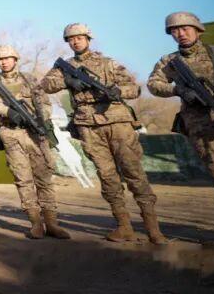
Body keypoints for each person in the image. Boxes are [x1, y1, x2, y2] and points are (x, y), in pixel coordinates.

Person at [40, 23, 166, 244]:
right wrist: (68, 80)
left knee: (134, 172)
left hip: (118, 122)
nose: (75, 42)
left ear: (88, 39)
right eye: (71, 39)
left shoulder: (108, 63)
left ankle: (153, 229)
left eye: (79, 38)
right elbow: (46, 84)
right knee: (107, 177)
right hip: (88, 127)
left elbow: (134, 88)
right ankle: (123, 226)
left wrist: (117, 91)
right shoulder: (65, 67)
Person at [148, 11, 214, 254]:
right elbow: (154, 84)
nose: (181, 33)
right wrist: (178, 90)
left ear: (198, 30)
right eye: (175, 30)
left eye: (185, 28)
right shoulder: (169, 62)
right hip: (203, 133)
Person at [0, 44, 69, 240]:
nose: (3, 62)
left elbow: (45, 104)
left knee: (44, 179)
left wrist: (40, 118)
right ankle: (36, 223)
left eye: (7, 58)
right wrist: (8, 112)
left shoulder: (29, 79)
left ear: (15, 59)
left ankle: (52, 223)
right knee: (23, 180)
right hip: (11, 134)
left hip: (35, 134)